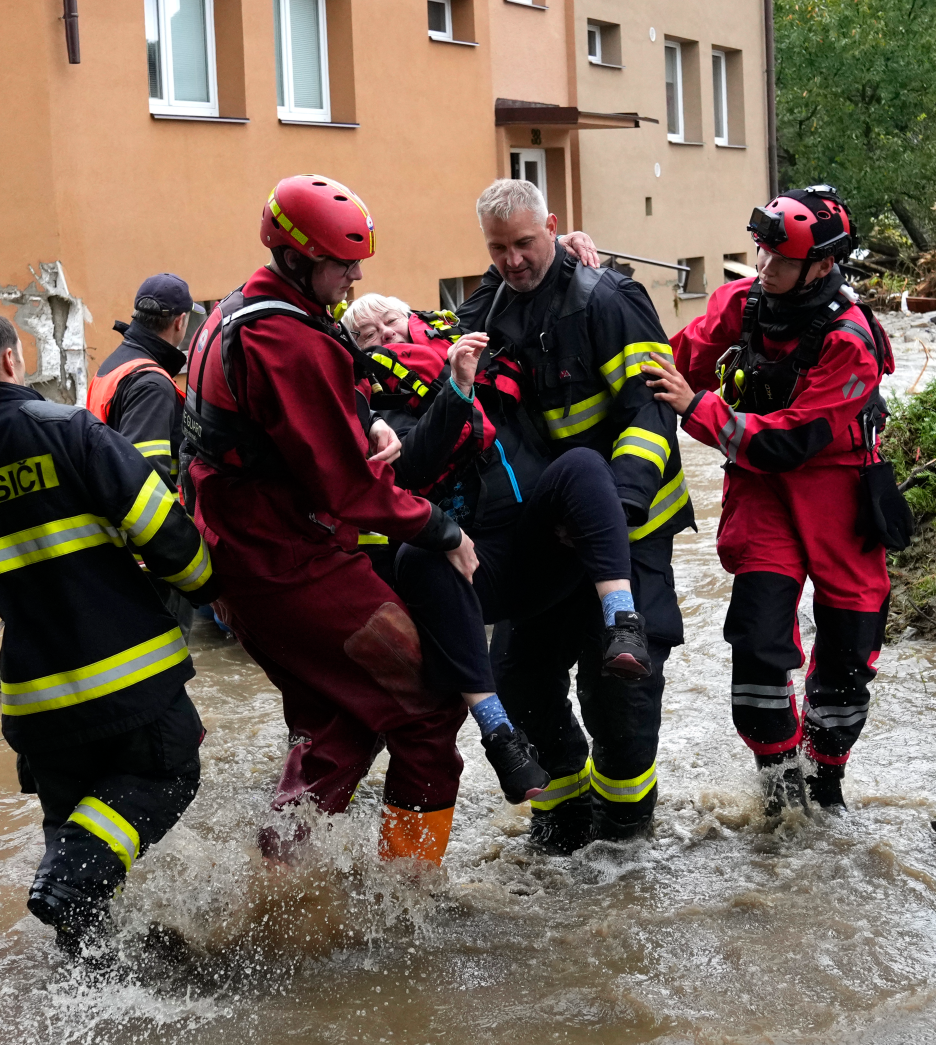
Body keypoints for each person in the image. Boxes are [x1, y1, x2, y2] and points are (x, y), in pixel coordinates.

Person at [180, 174, 548, 868]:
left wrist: (368, 421)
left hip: (242, 557)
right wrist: (442, 529)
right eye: (341, 262)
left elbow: (279, 427)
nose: (354, 275)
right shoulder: (287, 340)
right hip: (288, 565)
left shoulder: (237, 312)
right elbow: (350, 490)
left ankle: (278, 880)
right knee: (428, 707)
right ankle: (406, 892)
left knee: (340, 718)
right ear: (295, 257)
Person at [0, 309, 220, 955]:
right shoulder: (71, 430)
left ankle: (87, 979)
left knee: (71, 824)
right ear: (10, 361)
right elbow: (158, 524)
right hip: (130, 679)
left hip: (38, 703)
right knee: (169, 774)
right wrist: (206, 584)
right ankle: (73, 873)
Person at [453, 178, 692, 852]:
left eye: (526, 243)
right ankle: (561, 821)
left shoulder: (609, 299)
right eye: (498, 249)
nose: (513, 260)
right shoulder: (489, 307)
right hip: (542, 534)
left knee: (620, 691)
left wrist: (614, 507)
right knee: (520, 681)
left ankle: (625, 837)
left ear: (553, 227)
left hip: (627, 527)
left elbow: (650, 414)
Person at [641, 185, 893, 814]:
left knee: (847, 653)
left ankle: (827, 780)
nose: (764, 269)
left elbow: (795, 440)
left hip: (838, 490)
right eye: (762, 254)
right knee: (755, 642)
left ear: (824, 264)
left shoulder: (851, 340)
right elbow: (677, 357)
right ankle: (779, 782)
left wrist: (698, 409)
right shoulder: (744, 303)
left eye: (780, 262)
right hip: (761, 492)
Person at [356, 312, 651, 680]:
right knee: (416, 560)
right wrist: (457, 390)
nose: (386, 333)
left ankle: (623, 622)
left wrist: (564, 250)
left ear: (415, 318)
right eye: (369, 335)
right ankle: (495, 727)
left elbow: (508, 274)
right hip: (480, 569)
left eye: (390, 320)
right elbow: (413, 466)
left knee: (582, 464)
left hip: (547, 544)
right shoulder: (380, 413)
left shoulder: (473, 349)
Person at [87, 274, 193, 484]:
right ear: (179, 322)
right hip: (153, 514)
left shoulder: (115, 364)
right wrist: (177, 518)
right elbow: (143, 479)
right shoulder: (153, 385)